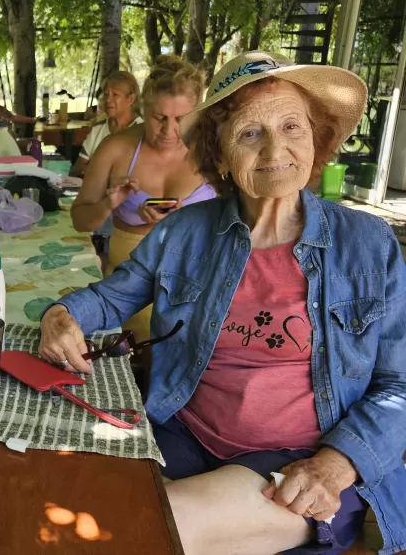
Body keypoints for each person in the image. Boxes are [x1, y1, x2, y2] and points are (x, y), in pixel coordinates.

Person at [39, 51, 406, 555]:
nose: (275, 149)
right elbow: (111, 297)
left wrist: (336, 464)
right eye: (250, 133)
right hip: (184, 439)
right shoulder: (184, 232)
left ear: (316, 138)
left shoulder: (367, 244)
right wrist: (61, 315)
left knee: (134, 527)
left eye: (292, 126)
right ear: (220, 154)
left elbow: (398, 385)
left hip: (302, 466)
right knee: (63, 492)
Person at [71, 56, 216, 341]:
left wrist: (187, 222)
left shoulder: (212, 151)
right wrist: (108, 204)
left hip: (194, 282)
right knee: (131, 359)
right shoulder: (115, 148)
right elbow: (79, 220)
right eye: (159, 118)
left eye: (181, 120)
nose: (169, 131)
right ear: (143, 107)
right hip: (128, 291)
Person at [71, 71, 144, 273]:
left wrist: (97, 173)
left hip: (129, 219)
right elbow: (77, 168)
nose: (108, 99)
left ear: (131, 99)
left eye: (115, 94)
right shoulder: (98, 131)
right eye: (105, 94)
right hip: (96, 211)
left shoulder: (142, 132)